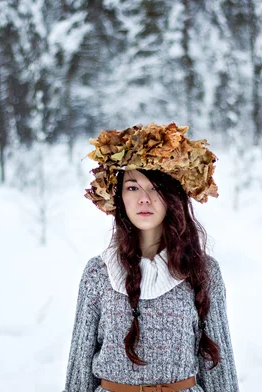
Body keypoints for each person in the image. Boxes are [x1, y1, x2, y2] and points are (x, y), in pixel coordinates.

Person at [64, 122, 239, 392]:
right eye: (133, 187)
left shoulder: (203, 270)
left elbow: (219, 369)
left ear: (173, 196)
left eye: (155, 188)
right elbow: (79, 368)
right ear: (119, 196)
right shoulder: (97, 273)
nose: (144, 199)